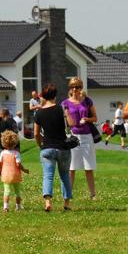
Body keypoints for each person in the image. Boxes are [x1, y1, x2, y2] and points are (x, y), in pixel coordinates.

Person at [33, 83, 72, 212]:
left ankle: (48, 202)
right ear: (55, 95)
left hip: (47, 147)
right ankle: (66, 203)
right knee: (65, 175)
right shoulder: (61, 109)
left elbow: (36, 133)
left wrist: (40, 144)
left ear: (43, 96)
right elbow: (71, 124)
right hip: (62, 147)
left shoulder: (38, 113)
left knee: (48, 175)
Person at [62, 77, 98, 199]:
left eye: (77, 87)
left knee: (89, 167)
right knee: (71, 168)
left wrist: (88, 119)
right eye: (72, 87)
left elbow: (95, 118)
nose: (75, 89)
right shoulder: (65, 103)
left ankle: (93, 194)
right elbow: (65, 121)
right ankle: (69, 194)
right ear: (70, 89)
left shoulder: (87, 101)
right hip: (73, 136)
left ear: (81, 88)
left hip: (87, 135)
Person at [0, 130, 29, 212]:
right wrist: (24, 170)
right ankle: (18, 206)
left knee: (6, 191)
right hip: (15, 175)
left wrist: (0, 169)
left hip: (6, 175)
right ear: (15, 142)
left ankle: (5, 207)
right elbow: (18, 164)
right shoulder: (16, 153)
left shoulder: (3, 153)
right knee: (17, 191)